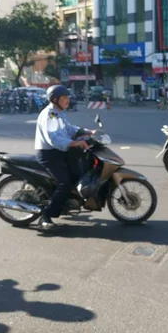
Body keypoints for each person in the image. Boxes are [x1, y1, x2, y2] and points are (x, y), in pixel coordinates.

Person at [35, 85, 95, 229]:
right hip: (49, 153)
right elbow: (53, 139)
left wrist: (85, 131)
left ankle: (66, 202)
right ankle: (46, 215)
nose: (67, 100)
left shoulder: (58, 112)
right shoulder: (49, 115)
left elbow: (67, 128)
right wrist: (74, 142)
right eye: (64, 98)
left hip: (59, 151)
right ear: (55, 99)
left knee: (78, 171)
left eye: (68, 98)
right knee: (65, 182)